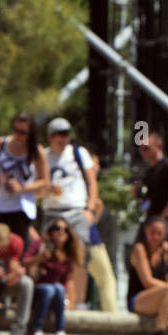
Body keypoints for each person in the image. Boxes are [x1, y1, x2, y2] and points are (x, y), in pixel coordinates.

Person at [42, 118, 117, 311]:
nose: (64, 138)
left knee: (80, 258)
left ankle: (79, 304)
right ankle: (56, 303)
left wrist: (90, 210)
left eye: (67, 134)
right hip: (52, 213)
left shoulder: (78, 153)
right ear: (50, 137)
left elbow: (92, 182)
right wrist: (47, 189)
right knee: (51, 257)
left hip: (77, 212)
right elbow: (34, 188)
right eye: (59, 135)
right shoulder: (42, 156)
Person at [0, 112, 50, 246]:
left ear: (30, 132)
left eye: (23, 132)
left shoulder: (36, 150)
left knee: (17, 248)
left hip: (20, 207)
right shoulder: (2, 143)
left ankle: (14, 267)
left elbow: (45, 181)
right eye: (15, 130)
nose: (18, 135)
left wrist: (21, 188)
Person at [24, 218, 83, 335]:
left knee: (58, 288)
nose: (61, 232)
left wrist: (69, 301)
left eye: (65, 229)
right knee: (50, 289)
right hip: (37, 290)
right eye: (57, 228)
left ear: (69, 235)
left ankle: (60, 330)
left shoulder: (68, 253)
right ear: (51, 231)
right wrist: (39, 258)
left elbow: (66, 280)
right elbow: (24, 262)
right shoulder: (41, 244)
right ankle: (35, 330)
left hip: (55, 293)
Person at [133, 129, 168, 245]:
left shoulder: (167, 165)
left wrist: (165, 213)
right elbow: (144, 197)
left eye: (146, 148)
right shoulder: (148, 171)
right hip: (150, 219)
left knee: (161, 256)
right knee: (138, 253)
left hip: (164, 221)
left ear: (158, 146)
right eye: (141, 149)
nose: (143, 152)